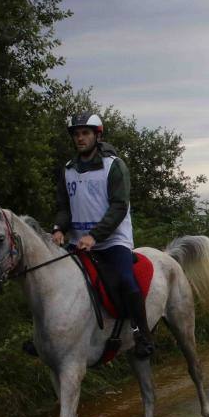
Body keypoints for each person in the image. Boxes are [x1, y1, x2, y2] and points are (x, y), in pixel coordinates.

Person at [52, 113, 154, 359]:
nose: (80, 138)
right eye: (76, 134)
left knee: (126, 279)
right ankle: (49, 338)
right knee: (51, 280)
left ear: (97, 135)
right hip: (79, 242)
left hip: (112, 240)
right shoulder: (68, 169)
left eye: (85, 133)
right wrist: (58, 229)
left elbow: (119, 206)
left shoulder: (114, 166)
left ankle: (142, 335)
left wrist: (95, 236)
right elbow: (64, 206)